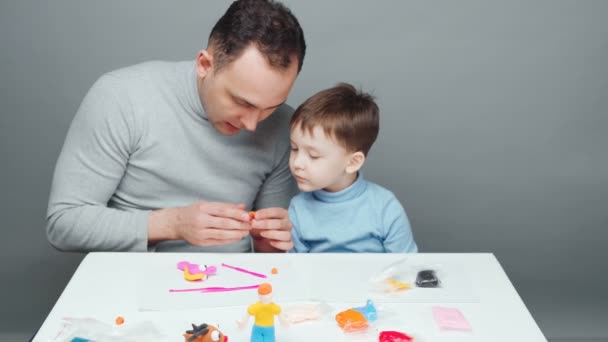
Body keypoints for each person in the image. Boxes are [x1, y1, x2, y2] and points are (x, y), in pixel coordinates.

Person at [46, 0, 306, 253]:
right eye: (242, 102)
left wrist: (270, 240)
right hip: (132, 287)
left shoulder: (283, 124)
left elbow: (272, 256)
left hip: (237, 288)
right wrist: (171, 224)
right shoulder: (121, 98)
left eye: (270, 107)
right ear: (205, 65)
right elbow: (64, 222)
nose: (252, 124)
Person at [288, 83, 418, 253]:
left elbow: (405, 265)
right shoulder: (298, 209)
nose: (297, 163)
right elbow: (294, 271)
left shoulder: (385, 207)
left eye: (313, 156)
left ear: (352, 162)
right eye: (294, 148)